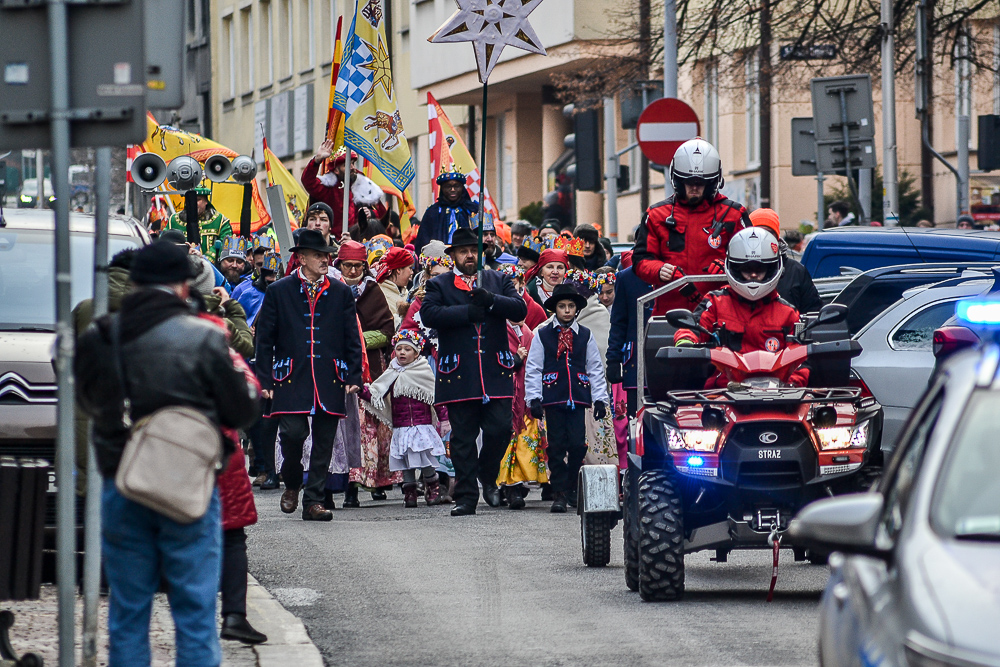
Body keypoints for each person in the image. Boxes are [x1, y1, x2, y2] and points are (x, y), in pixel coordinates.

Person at [74, 242, 259, 666]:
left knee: (128, 609)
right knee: (194, 610)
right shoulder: (203, 337)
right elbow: (242, 409)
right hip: (189, 483)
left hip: (123, 480)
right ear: (181, 285)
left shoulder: (103, 335)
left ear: (136, 283)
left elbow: (86, 400)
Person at [254, 229, 364, 521]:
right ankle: (292, 482)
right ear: (301, 258)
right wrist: (264, 380)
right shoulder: (279, 290)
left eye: (327, 255)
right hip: (291, 375)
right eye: (318, 255)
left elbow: (351, 335)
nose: (325, 259)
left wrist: (355, 374)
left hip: (329, 375)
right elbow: (264, 339)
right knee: (292, 434)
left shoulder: (340, 291)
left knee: (324, 441)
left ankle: (313, 500)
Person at [420, 228, 528, 516]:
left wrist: (491, 300)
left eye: (474, 250)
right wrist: (468, 312)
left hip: (495, 370)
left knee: (500, 429)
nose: (470, 255)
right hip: (459, 371)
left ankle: (487, 475)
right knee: (463, 437)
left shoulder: (498, 279)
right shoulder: (439, 285)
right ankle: (466, 496)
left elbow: (520, 310)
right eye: (463, 251)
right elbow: (429, 315)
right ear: (453, 255)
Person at [673, 227, 806, 387]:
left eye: (760, 269)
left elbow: (801, 359)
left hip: (778, 399)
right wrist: (686, 341)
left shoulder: (788, 313)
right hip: (722, 396)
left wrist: (791, 385)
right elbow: (693, 327)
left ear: (772, 268)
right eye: (747, 269)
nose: (753, 275)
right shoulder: (715, 302)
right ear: (735, 268)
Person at [632, 138, 750, 315]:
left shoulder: (734, 214)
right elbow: (640, 260)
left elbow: (753, 261)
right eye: (689, 182)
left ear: (712, 183)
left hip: (722, 313)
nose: (694, 187)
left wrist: (728, 267)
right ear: (678, 180)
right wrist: (659, 269)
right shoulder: (657, 215)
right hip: (670, 314)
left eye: (700, 183)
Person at [525, 284, 609, 513]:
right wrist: (533, 397)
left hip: (578, 397)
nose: (567, 310)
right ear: (555, 309)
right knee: (556, 446)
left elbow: (595, 367)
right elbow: (534, 367)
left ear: (577, 309)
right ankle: (559, 492)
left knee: (577, 444)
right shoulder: (542, 334)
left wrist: (600, 398)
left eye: (571, 306)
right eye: (562, 306)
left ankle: (572, 485)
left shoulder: (585, 335)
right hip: (553, 397)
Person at [336, 240, 398, 505]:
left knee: (372, 428)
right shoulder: (332, 289)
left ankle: (375, 480)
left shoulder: (373, 291)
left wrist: (357, 339)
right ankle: (350, 483)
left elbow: (387, 331)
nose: (352, 271)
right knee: (350, 428)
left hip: (370, 369)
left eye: (357, 266)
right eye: (347, 265)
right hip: (341, 368)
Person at [363, 330, 450, 507]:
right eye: (399, 349)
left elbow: (435, 397)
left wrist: (445, 419)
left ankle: (433, 486)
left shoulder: (423, 370)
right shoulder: (392, 372)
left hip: (421, 425)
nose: (402, 352)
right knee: (405, 461)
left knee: (422, 458)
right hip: (401, 425)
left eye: (407, 349)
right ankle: (409, 491)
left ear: (416, 353)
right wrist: (360, 389)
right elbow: (377, 392)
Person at [605, 253, 654, 467]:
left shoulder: (676, 268)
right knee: (638, 425)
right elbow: (619, 322)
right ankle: (638, 475)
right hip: (638, 365)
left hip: (675, 362)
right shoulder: (626, 277)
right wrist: (613, 359)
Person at [497, 304, 546, 509]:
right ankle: (509, 486)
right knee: (505, 442)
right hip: (505, 396)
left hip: (525, 398)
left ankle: (520, 484)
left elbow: (536, 365)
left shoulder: (529, 333)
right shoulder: (498, 332)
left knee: (526, 443)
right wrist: (515, 359)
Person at [300, 140, 384, 238]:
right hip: (330, 243)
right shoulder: (327, 187)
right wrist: (317, 160)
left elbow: (382, 215)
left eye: (353, 163)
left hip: (356, 243)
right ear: (336, 170)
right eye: (347, 165)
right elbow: (308, 181)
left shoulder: (362, 185)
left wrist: (371, 214)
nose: (352, 167)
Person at [749, 208, 823, 314]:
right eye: (757, 233)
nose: (763, 238)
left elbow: (812, 312)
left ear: (777, 237)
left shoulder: (796, 271)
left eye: (768, 233)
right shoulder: (735, 269)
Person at [414, 165, 479, 253]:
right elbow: (423, 241)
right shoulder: (432, 212)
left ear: (462, 188)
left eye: (456, 186)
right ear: (442, 189)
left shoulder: (472, 210)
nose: (452, 190)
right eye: (448, 186)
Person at [165, 186, 234, 261]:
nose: (193, 203)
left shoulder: (220, 220)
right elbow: (164, 242)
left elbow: (226, 243)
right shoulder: (174, 220)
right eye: (190, 200)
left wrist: (206, 259)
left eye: (198, 200)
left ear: (206, 201)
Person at [232, 252, 281, 327]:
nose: (274, 279)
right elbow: (235, 319)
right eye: (270, 276)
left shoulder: (282, 295)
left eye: (276, 276)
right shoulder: (249, 293)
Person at [376, 245, 416, 328]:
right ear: (398, 270)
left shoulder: (405, 291)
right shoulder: (380, 294)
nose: (412, 272)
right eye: (410, 268)